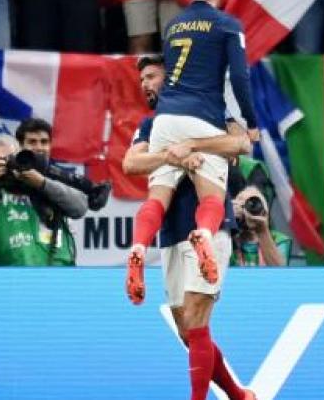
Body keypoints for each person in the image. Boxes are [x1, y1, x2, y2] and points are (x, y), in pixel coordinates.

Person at [127, 0, 260, 304]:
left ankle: (139, 245)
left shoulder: (172, 26)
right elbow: (240, 78)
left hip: (166, 118)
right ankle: (203, 233)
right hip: (203, 116)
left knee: (157, 196)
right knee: (212, 198)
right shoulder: (227, 24)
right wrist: (252, 123)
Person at [121, 58, 256, 400]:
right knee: (190, 332)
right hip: (171, 235)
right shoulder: (152, 125)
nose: (145, 84)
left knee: (196, 320)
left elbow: (240, 144)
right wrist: (172, 156)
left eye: (151, 76)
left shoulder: (211, 113)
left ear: (174, 75)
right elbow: (131, 162)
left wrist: (194, 145)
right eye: (141, 80)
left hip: (209, 228)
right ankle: (239, 396)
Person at [0, 121, 89, 266]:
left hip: (59, 274)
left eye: (44, 142)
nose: (39, 148)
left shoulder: (54, 180)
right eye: (32, 142)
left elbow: (80, 208)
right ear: (19, 149)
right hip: (9, 278)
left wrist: (42, 183)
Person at [231, 184, 289, 267]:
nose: (247, 209)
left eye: (254, 204)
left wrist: (262, 231)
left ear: (265, 211)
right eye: (241, 204)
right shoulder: (228, 239)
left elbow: (280, 273)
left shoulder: (279, 239)